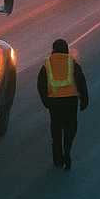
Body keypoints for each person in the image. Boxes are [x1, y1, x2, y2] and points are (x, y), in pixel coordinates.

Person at [37, 38, 88, 170]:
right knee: (70, 128)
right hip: (70, 101)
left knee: (56, 131)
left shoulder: (47, 64)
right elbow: (81, 82)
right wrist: (84, 100)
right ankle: (67, 151)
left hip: (54, 103)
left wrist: (46, 102)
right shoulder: (72, 63)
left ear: (53, 49)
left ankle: (58, 159)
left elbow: (41, 84)